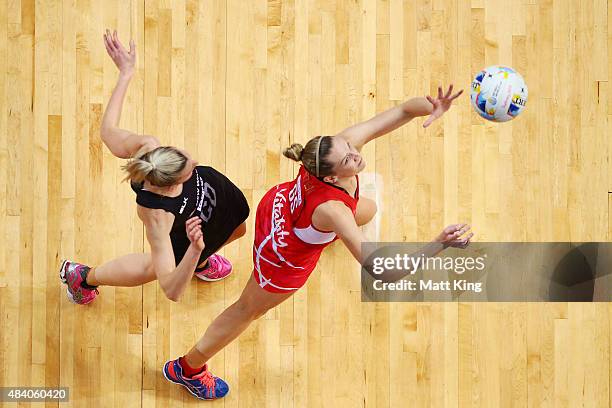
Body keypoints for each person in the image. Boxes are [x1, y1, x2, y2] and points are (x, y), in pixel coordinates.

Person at [162, 85, 473, 399]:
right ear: (332, 178)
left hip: (280, 203)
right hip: (282, 255)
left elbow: (402, 111)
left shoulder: (330, 155)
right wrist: (438, 244)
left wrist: (433, 106)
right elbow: (382, 270)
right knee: (246, 310)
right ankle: (188, 368)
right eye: (349, 159)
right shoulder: (334, 210)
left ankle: (206, 262)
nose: (355, 154)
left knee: (368, 208)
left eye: (351, 149)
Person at [59, 30, 249, 305]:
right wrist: (195, 251)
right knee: (154, 268)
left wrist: (125, 73)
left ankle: (198, 263)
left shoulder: (148, 147)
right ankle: (84, 277)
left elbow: (108, 131)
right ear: (172, 184)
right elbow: (171, 290)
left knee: (238, 228)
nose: (195, 162)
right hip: (189, 232)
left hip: (212, 204)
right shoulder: (158, 218)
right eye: (189, 170)